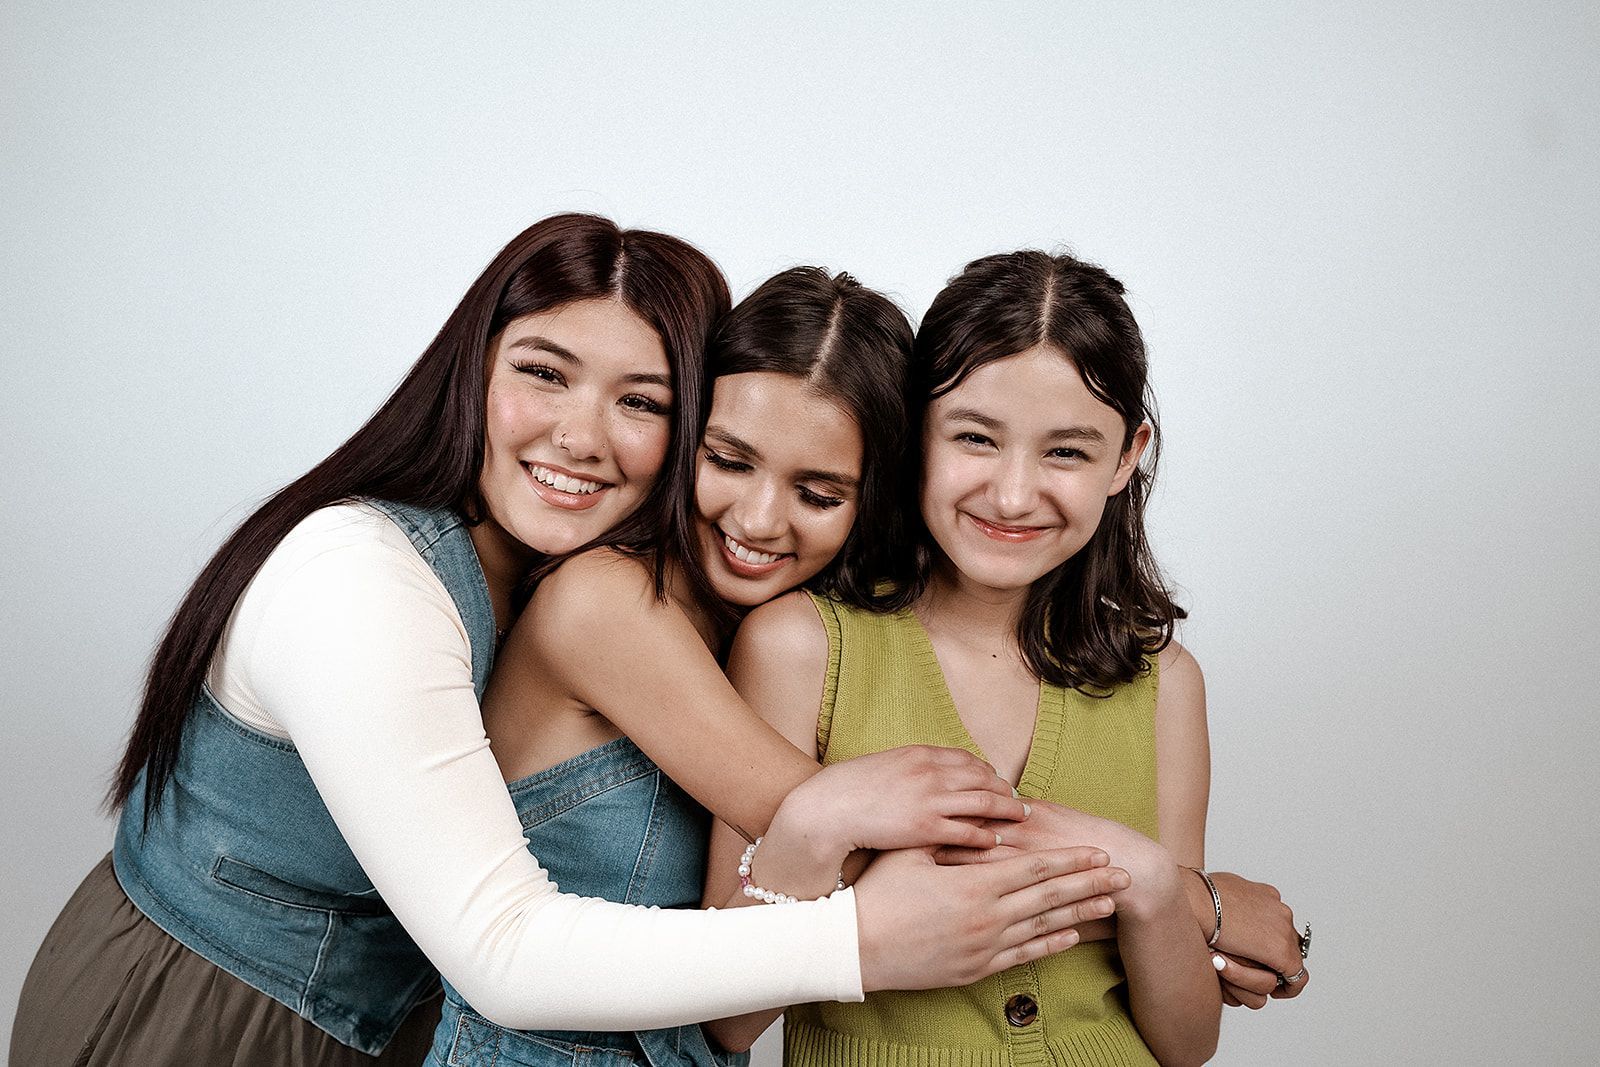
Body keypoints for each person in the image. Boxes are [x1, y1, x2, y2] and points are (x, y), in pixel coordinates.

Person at [10, 219, 1108, 1067]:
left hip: (386, 1029)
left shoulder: (640, 583)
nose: (581, 436)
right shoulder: (366, 577)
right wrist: (1144, 891)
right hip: (199, 1007)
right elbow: (508, 949)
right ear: (474, 368)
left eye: (641, 401)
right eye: (543, 371)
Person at [428, 266, 1124, 1067]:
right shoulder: (602, 603)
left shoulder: (780, 628)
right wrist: (1177, 897)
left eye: (819, 495)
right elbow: (865, 847)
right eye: (729, 460)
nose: (758, 520)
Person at [703, 249, 1309, 1066]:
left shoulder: (1164, 682)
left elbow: (1187, 1041)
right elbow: (727, 1018)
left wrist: (1154, 882)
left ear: (1126, 456)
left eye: (1067, 452)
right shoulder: (800, 646)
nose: (1014, 494)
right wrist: (818, 825)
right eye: (975, 438)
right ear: (916, 433)